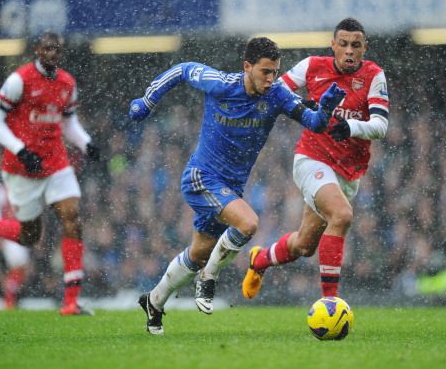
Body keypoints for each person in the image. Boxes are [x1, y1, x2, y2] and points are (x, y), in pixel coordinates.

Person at [128, 37, 346, 335]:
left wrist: (325, 111)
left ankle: (154, 301)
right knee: (248, 224)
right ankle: (209, 278)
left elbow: (314, 123)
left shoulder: (278, 95)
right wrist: (148, 99)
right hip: (201, 178)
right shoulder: (221, 84)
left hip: (230, 189)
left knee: (198, 253)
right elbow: (182, 69)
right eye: (265, 72)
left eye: (275, 72)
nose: (271, 79)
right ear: (247, 66)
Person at [237, 18, 389, 300]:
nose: (349, 51)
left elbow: (381, 125)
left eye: (355, 45)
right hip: (312, 159)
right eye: (342, 44)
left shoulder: (374, 76)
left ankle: (259, 260)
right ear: (333, 45)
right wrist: (298, 105)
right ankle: (330, 303)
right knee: (341, 216)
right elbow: (276, 90)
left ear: (364, 48)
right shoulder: (311, 66)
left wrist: (350, 127)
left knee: (304, 245)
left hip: (347, 172)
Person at [0, 32, 100, 315]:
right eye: (47, 48)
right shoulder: (19, 80)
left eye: (56, 49)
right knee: (28, 237)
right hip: (21, 168)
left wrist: (86, 143)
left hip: (57, 164)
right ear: (37, 50)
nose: (52, 53)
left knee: (73, 218)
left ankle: (71, 301)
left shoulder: (67, 84)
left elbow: (68, 122)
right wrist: (21, 150)